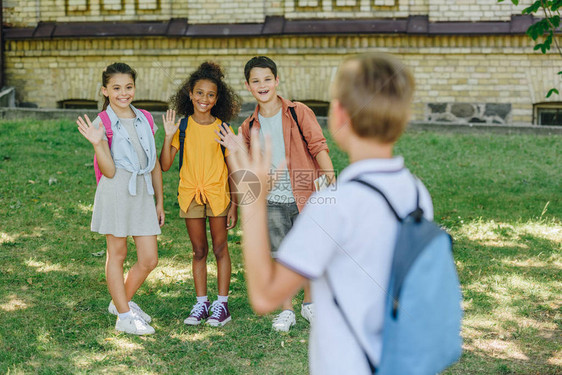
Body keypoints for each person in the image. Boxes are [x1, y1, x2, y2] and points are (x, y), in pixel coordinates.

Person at [217, 53, 432, 374]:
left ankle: (306, 304)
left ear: (339, 114)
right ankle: (296, 308)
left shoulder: (339, 204)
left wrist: (252, 201)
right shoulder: (417, 192)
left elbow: (263, 296)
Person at [238, 56, 335, 332]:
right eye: (256, 81)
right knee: (280, 254)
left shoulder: (297, 112)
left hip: (305, 194)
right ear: (248, 86)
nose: (262, 85)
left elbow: (318, 145)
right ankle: (286, 310)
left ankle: (310, 304)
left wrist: (330, 180)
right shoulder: (249, 126)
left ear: (277, 81)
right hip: (272, 200)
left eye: (267, 79)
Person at [77, 62, 165, 335]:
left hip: (142, 191)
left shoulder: (146, 119)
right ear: (105, 91)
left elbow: (153, 165)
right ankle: (125, 317)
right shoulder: (102, 123)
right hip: (116, 189)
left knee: (149, 259)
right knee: (117, 253)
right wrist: (97, 143)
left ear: (134, 88)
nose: (123, 93)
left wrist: (159, 201)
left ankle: (120, 302)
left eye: (128, 87)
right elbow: (109, 170)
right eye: (116, 88)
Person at [160, 61, 240, 327]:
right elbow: (165, 164)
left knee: (220, 248)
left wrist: (234, 204)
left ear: (218, 99)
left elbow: (232, 170)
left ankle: (222, 305)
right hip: (190, 196)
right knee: (198, 250)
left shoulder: (223, 129)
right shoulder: (182, 128)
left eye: (211, 94)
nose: (204, 99)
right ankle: (201, 302)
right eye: (199, 93)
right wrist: (167, 136)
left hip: (218, 196)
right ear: (190, 94)